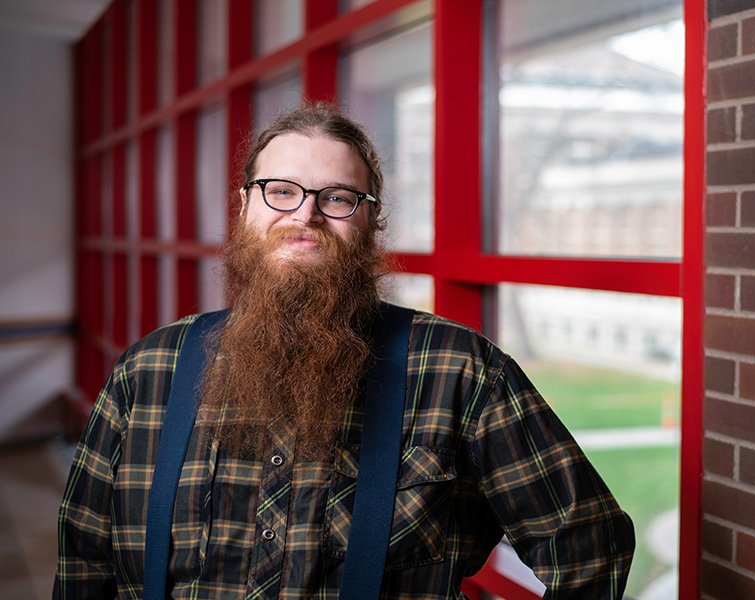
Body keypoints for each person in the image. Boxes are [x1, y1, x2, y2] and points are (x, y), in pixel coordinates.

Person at [54, 103, 635, 599]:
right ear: (244, 206)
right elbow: (84, 560)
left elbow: (587, 543)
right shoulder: (149, 369)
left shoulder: (458, 369)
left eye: (337, 198)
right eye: (279, 191)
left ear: (371, 221)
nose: (303, 216)